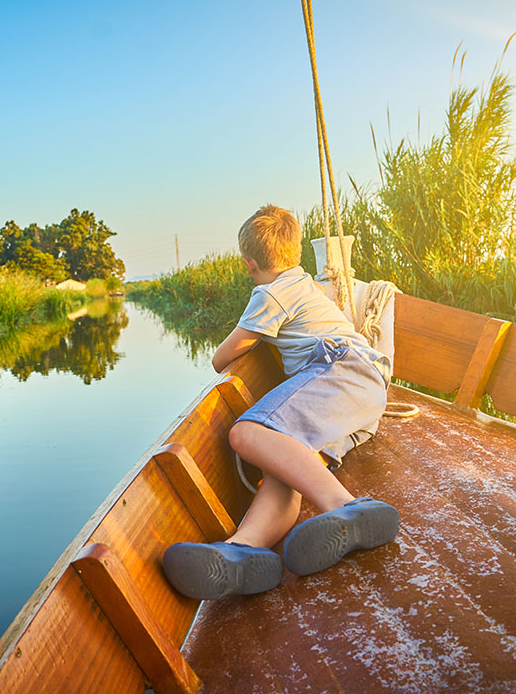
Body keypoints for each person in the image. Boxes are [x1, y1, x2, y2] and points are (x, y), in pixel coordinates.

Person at [163, 205, 400, 600]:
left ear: (249, 263)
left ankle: (346, 506)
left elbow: (222, 357)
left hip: (341, 369)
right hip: (364, 389)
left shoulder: (271, 292)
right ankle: (243, 551)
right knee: (285, 469)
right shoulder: (303, 281)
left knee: (248, 432)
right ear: (295, 252)